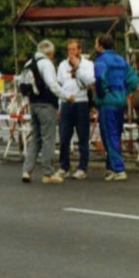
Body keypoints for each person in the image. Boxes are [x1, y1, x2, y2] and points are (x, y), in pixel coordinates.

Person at [93, 33, 139, 181]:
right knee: (116, 133)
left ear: (100, 45)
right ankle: (111, 167)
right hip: (120, 101)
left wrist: (101, 94)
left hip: (107, 102)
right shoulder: (121, 60)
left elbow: (100, 78)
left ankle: (118, 168)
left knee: (108, 134)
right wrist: (124, 92)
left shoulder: (101, 61)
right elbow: (133, 80)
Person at [20, 39, 64, 184]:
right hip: (46, 104)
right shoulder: (46, 64)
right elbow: (52, 83)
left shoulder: (28, 63)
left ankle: (27, 170)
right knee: (48, 138)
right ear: (50, 52)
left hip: (33, 104)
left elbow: (22, 85)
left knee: (36, 138)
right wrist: (65, 96)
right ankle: (48, 173)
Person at [57, 38, 95, 179]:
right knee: (64, 136)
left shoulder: (88, 64)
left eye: (74, 49)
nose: (71, 52)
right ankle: (64, 166)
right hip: (67, 102)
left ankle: (82, 167)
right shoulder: (62, 65)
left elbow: (90, 81)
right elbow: (59, 85)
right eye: (69, 50)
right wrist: (59, 104)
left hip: (81, 102)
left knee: (83, 136)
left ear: (79, 50)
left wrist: (78, 68)